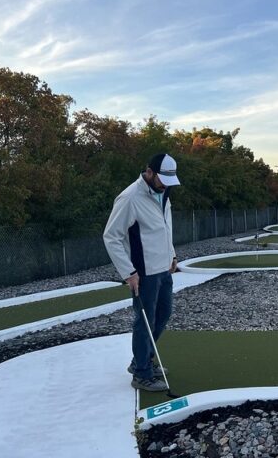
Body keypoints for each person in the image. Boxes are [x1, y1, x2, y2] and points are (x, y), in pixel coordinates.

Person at [103, 153, 181, 392]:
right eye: (162, 180)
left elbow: (164, 227)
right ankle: (141, 374)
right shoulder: (130, 198)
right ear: (149, 172)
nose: (165, 186)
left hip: (163, 267)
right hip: (143, 272)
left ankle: (141, 360)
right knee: (144, 322)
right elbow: (111, 237)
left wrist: (172, 254)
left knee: (163, 314)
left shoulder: (164, 192)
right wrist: (129, 272)